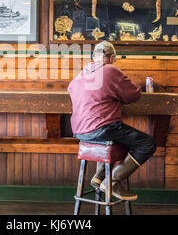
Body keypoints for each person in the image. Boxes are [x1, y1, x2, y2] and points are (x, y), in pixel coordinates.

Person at [67, 40, 156, 201]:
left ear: (94, 56)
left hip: (81, 132)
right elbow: (133, 94)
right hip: (101, 128)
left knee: (121, 139)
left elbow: (71, 88)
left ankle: (99, 176)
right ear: (112, 57)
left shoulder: (82, 73)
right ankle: (112, 181)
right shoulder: (109, 70)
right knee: (147, 144)